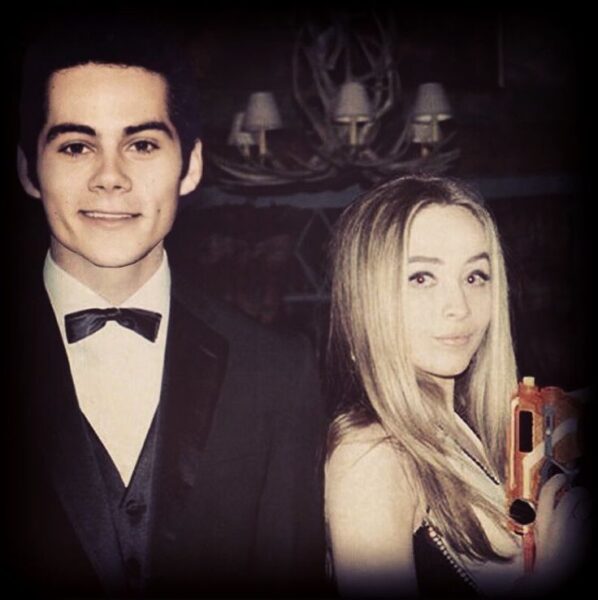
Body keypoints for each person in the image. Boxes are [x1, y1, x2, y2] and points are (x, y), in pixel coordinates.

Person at [7, 18, 326, 598]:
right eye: (76, 146)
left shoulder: (278, 372)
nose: (110, 177)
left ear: (191, 165)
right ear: (30, 169)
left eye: (143, 144)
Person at [324, 175, 590, 597]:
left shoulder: (461, 427)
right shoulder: (371, 456)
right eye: (421, 278)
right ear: (369, 296)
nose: (459, 307)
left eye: (475, 276)